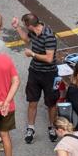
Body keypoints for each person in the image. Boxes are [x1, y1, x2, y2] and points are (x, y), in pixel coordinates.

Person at [18, 12, 59, 145]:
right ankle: (31, 128)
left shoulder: (48, 36)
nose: (24, 27)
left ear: (30, 25)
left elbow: (49, 58)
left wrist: (33, 54)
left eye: (24, 25)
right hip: (34, 72)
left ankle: (52, 127)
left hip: (50, 74)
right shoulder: (34, 31)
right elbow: (26, 40)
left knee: (51, 102)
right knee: (32, 101)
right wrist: (16, 27)